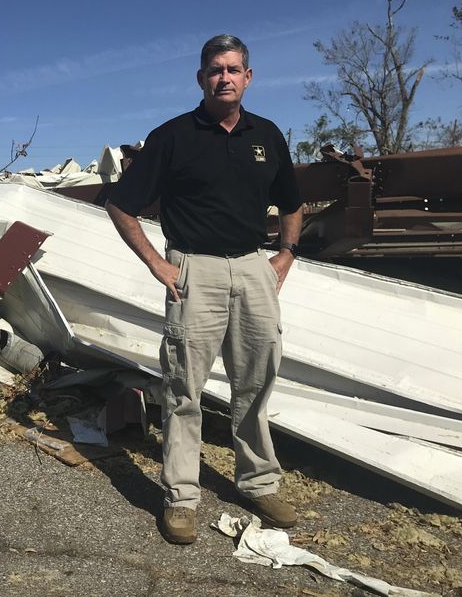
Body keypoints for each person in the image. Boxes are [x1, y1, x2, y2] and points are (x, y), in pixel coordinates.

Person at [105, 34, 303, 545]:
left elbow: (292, 202)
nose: (225, 77)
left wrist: (285, 254)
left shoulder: (268, 136)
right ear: (201, 78)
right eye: (216, 69)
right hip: (195, 272)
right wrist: (157, 264)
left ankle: (259, 482)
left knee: (257, 382)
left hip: (253, 269)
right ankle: (180, 497)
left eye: (234, 69)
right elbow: (121, 205)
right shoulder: (173, 137)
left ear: (249, 77)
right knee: (183, 389)